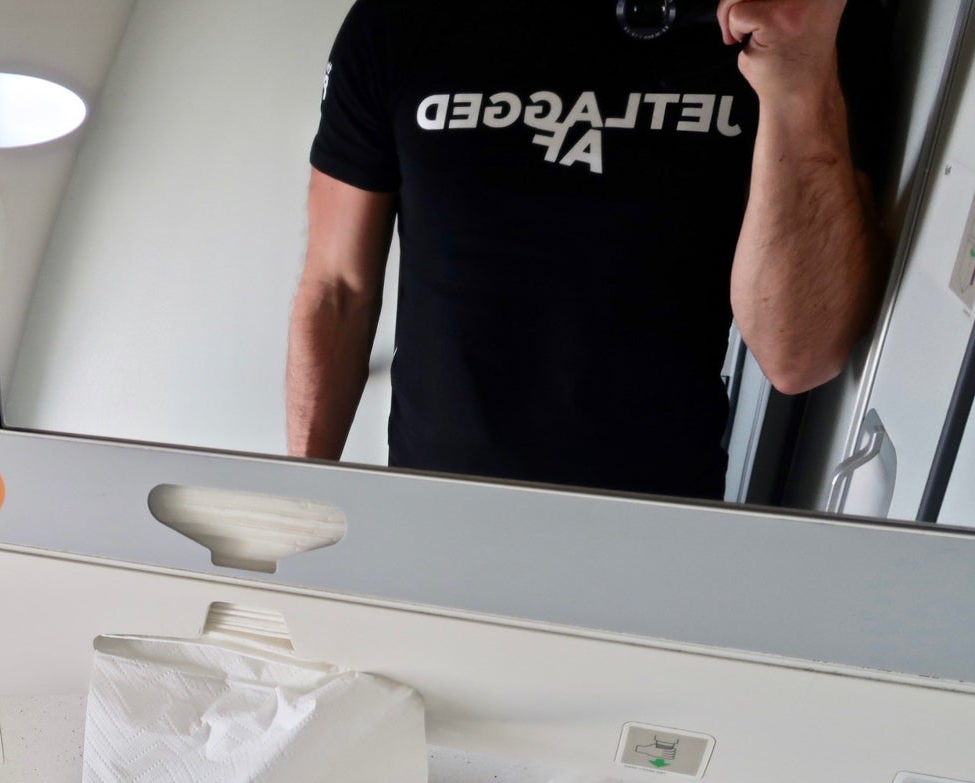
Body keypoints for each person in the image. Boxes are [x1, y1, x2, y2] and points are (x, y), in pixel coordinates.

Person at [286, 0, 887, 499]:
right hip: (435, 503)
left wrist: (797, 81)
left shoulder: (794, 18)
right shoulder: (399, 16)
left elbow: (799, 358)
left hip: (656, 517)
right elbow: (336, 290)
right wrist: (301, 508)